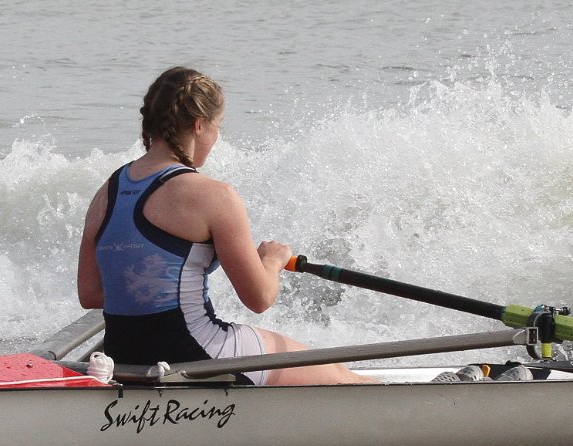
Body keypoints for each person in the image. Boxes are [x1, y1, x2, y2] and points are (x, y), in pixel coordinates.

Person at [77, 67, 371, 385]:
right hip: (194, 353)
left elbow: (91, 294)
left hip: (123, 357)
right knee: (343, 376)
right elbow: (259, 298)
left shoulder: (106, 192)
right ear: (200, 125)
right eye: (217, 127)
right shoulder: (215, 196)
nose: (217, 137)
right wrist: (270, 262)